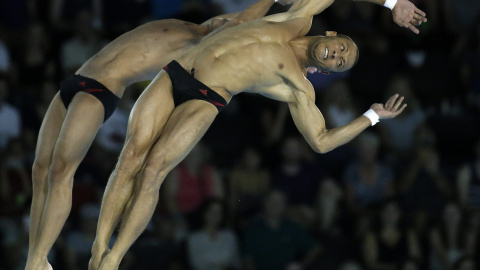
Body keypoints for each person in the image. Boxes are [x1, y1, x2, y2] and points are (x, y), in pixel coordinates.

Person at [91, 0, 427, 269]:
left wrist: (371, 116)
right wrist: (392, 2)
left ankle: (115, 258)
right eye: (340, 48)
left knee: (152, 171)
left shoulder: (299, 86)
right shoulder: (298, 17)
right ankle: (97, 253)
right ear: (331, 34)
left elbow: (321, 142)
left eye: (339, 63)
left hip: (207, 97)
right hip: (176, 71)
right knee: (130, 157)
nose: (336, 55)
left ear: (327, 72)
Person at [25, 1, 283, 269]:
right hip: (75, 80)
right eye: (222, 19)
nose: (223, 21)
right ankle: (34, 258)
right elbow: (238, 16)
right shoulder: (184, 24)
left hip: (100, 89)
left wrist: (274, 2)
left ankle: (41, 260)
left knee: (61, 170)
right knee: (40, 170)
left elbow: (247, 23)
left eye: (226, 24)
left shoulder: (196, 45)